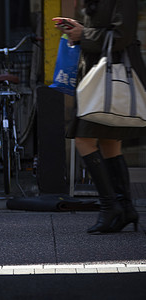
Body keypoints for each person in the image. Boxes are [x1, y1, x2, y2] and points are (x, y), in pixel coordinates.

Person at [53, 0, 146, 234]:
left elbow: (122, 35)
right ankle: (125, 208)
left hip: (110, 77)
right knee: (109, 143)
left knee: (84, 139)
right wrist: (77, 29)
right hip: (99, 77)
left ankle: (110, 207)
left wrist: (84, 33)